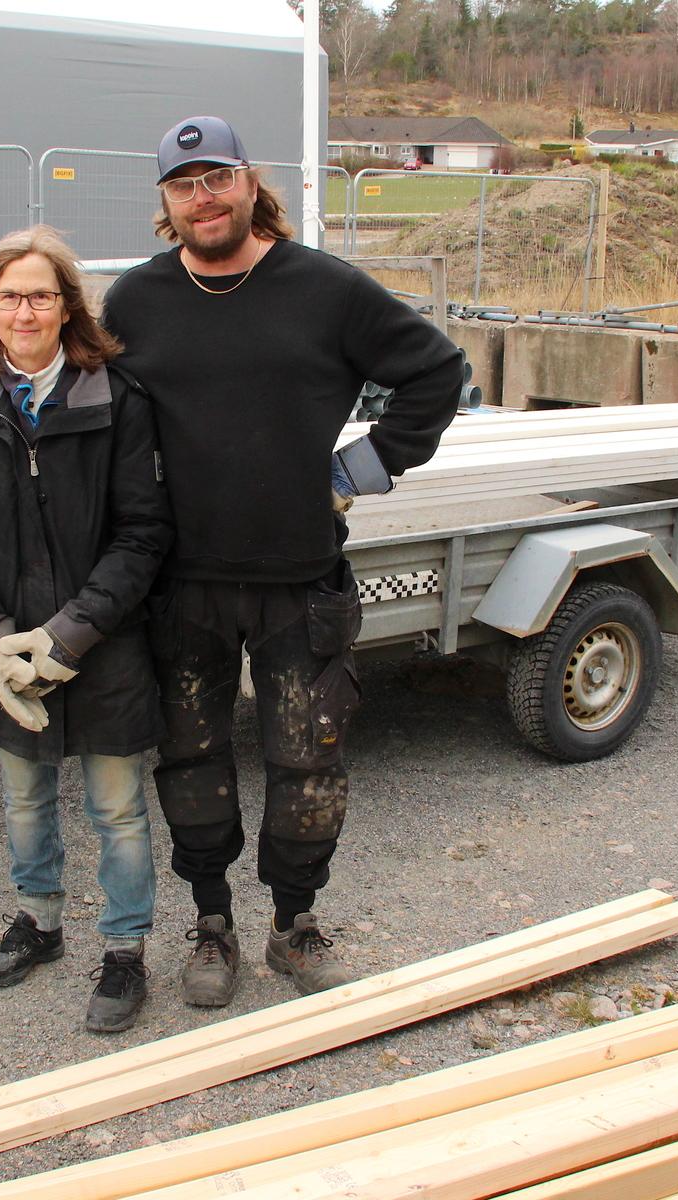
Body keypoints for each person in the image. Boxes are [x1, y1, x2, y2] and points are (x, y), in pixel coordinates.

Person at [100, 116, 463, 1005]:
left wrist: (370, 462)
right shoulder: (134, 302)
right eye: (183, 184)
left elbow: (437, 371)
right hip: (180, 585)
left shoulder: (326, 289)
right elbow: (75, 392)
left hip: (300, 579)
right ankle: (213, 923)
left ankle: (294, 922)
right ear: (165, 201)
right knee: (191, 759)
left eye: (216, 176)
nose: (203, 197)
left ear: (250, 181)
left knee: (309, 761)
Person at [0, 225, 173, 1034]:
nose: (24, 311)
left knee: (118, 807)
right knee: (24, 801)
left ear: (68, 307)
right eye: (8, 295)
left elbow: (144, 534)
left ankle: (125, 950)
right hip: (3, 648)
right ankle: (40, 922)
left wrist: (68, 638)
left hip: (102, 644)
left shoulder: (117, 401)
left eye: (40, 295)